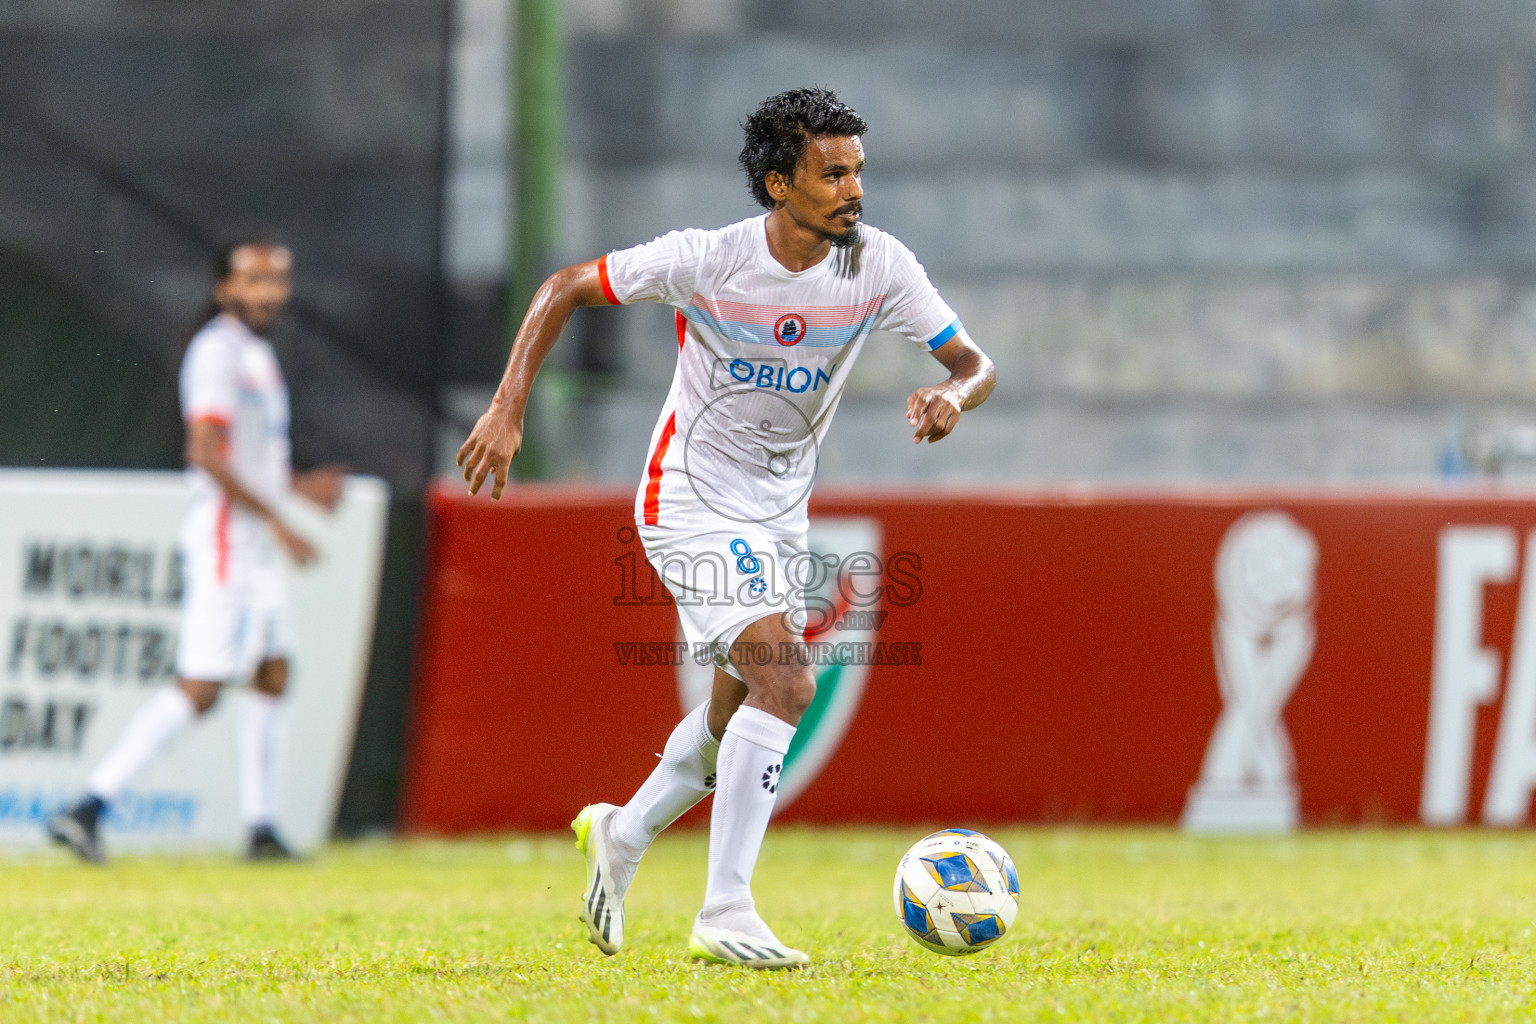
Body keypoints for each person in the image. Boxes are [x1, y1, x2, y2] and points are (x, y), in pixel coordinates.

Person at [457, 87, 995, 968]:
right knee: (788, 680)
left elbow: (976, 363)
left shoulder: (880, 266)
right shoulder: (707, 259)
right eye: (832, 174)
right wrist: (509, 406)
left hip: (781, 515)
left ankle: (623, 837)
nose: (854, 190)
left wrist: (953, 394)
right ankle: (726, 909)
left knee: (731, 713)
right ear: (780, 184)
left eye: (859, 170)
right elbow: (563, 287)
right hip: (691, 499)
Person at [47, 238, 344, 864]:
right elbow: (205, 453)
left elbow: (248, 456)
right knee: (203, 686)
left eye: (277, 279)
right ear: (224, 288)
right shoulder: (216, 351)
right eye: (253, 279)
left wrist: (297, 489)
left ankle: (260, 829)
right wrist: (282, 521)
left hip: (251, 535)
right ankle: (88, 806)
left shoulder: (255, 354)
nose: (268, 292)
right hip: (225, 537)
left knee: (271, 669)